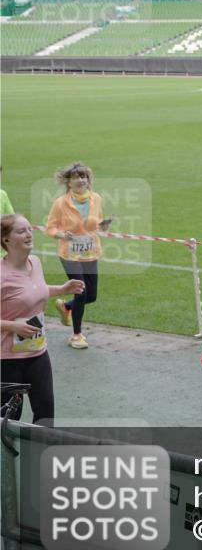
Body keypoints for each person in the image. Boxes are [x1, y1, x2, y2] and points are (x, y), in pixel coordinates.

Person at [1, 214, 84, 423]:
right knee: (8, 420)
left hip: (38, 353)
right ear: (6, 240)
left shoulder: (35, 263)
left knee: (46, 417)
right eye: (21, 231)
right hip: (7, 360)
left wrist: (62, 289)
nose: (29, 234)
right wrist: (13, 326)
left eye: (29, 229)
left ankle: (39, 456)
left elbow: (34, 291)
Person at [45, 162, 111, 350]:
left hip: (90, 253)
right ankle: (76, 335)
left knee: (91, 296)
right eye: (76, 177)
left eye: (84, 177)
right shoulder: (60, 203)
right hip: (70, 254)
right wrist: (61, 234)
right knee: (81, 292)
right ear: (69, 182)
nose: (81, 180)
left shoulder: (96, 199)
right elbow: (50, 228)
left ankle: (66, 306)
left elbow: (96, 223)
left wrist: (103, 226)